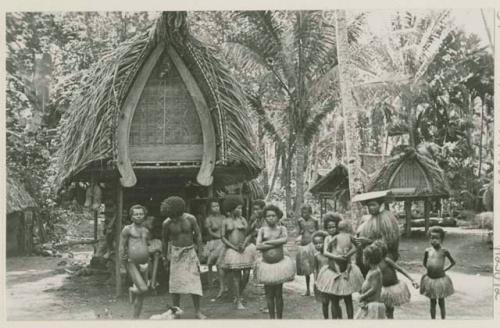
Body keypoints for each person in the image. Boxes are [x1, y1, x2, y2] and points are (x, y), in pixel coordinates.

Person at [161, 196, 206, 319]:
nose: (173, 218)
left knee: (194, 282)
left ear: (179, 211)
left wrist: (200, 252)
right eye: (170, 216)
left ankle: (197, 311)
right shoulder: (167, 223)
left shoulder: (190, 219)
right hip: (175, 254)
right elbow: (164, 241)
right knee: (175, 285)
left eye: (174, 216)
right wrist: (164, 257)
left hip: (190, 252)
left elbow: (198, 235)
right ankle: (176, 312)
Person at [255, 204, 295, 319]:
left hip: (279, 265)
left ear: (278, 217)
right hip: (266, 265)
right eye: (268, 216)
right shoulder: (262, 230)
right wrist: (274, 242)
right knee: (269, 294)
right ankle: (272, 318)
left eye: (273, 215)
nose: (271, 218)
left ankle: (280, 319)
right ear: (264, 217)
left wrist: (267, 243)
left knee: (278, 293)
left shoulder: (282, 229)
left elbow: (285, 239)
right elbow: (258, 246)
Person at [318, 220, 364, 319]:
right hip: (333, 270)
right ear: (326, 228)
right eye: (329, 227)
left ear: (338, 228)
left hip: (346, 268)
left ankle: (350, 321)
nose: (332, 229)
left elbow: (356, 246)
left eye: (334, 227)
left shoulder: (344, 237)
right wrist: (336, 257)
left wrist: (348, 254)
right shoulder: (328, 238)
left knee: (348, 298)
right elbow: (326, 252)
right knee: (334, 299)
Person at [220, 195, 257, 309]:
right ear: (231, 209)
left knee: (246, 274)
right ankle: (238, 300)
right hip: (233, 250)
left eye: (241, 208)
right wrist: (233, 247)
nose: (240, 210)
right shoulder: (225, 221)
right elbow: (223, 237)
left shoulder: (243, 220)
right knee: (236, 275)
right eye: (238, 208)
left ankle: (238, 294)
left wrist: (244, 244)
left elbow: (249, 233)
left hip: (245, 248)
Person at [353, 192, 400, 277]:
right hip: (368, 254)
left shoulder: (386, 218)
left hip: (383, 255)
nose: (371, 208)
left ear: (380, 205)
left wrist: (369, 241)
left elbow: (390, 242)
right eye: (369, 206)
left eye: (373, 205)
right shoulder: (367, 219)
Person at [372, 240, 419, 319]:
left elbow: (400, 269)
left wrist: (412, 279)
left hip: (393, 287)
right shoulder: (374, 264)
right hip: (384, 289)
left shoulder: (387, 260)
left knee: (390, 310)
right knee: (384, 309)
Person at [119, 204, 150, 319]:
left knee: (142, 295)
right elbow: (121, 247)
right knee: (143, 288)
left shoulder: (146, 230)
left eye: (141, 214)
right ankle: (132, 289)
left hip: (144, 264)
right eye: (136, 214)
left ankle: (135, 319)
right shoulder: (128, 229)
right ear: (131, 216)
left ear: (144, 215)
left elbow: (146, 245)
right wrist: (121, 266)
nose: (138, 216)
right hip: (131, 262)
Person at [420, 226, 455, 319]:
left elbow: (453, 262)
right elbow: (424, 263)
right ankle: (433, 320)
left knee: (441, 301)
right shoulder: (427, 251)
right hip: (430, 280)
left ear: (441, 239)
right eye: (432, 238)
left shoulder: (444, 251)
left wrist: (444, 270)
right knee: (432, 302)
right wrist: (430, 270)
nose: (434, 240)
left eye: (437, 238)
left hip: (440, 280)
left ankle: (443, 319)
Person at [203, 199, 227, 299]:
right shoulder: (208, 219)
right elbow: (210, 232)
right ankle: (211, 283)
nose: (216, 208)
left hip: (223, 241)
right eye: (214, 206)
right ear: (210, 208)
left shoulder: (223, 217)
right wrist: (219, 236)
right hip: (213, 242)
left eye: (217, 206)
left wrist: (223, 237)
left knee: (219, 263)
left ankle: (223, 284)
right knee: (209, 263)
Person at [355, 243, 385, 319]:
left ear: (369, 259)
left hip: (373, 304)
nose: (362, 259)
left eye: (363, 257)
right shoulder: (371, 270)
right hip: (368, 303)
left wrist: (363, 296)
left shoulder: (376, 272)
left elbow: (373, 289)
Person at [295, 204, 320, 296]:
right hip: (303, 245)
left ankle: (317, 288)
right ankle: (308, 289)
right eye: (302, 212)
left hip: (313, 245)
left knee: (314, 268)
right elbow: (298, 231)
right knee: (306, 269)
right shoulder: (300, 221)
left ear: (310, 212)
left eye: (305, 212)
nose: (303, 214)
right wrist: (298, 236)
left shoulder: (315, 220)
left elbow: (318, 232)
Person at [311, 230, 330, 319]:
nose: (318, 245)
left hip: (331, 280)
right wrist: (315, 281)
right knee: (324, 302)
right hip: (322, 282)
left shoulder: (330, 255)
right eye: (316, 243)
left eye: (320, 243)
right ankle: (326, 320)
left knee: (335, 302)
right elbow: (315, 269)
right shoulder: (316, 256)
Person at [144, 215, 162, 292]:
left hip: (149, 246)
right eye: (150, 220)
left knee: (156, 254)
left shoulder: (150, 229)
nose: (152, 223)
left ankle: (152, 282)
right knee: (147, 258)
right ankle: (152, 282)